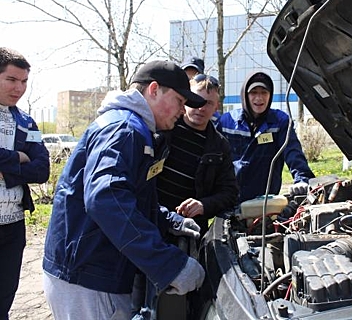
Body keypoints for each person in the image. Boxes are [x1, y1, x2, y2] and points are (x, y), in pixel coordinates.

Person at [42, 60, 207, 320]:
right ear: (154, 90)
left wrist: (167, 220)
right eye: (178, 100)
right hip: (88, 277)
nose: (182, 110)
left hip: (94, 270)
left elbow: (128, 197)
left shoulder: (134, 127)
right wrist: (169, 265)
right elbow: (105, 199)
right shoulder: (124, 129)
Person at [0, 47, 50, 320]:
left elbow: (42, 169)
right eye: (11, 80)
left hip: (13, 225)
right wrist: (17, 158)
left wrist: (5, 171)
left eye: (24, 81)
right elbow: (28, 164)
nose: (19, 88)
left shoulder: (26, 121)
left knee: (4, 300)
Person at [157, 74, 238, 238]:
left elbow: (229, 192)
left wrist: (204, 205)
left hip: (190, 231)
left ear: (217, 107)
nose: (201, 108)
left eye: (208, 103)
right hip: (153, 220)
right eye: (196, 100)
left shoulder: (220, 146)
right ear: (185, 100)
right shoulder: (164, 129)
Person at [217, 71, 315, 203]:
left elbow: (293, 152)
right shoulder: (227, 121)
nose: (259, 98)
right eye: (254, 93)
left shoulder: (280, 122)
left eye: (264, 92)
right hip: (230, 200)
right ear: (245, 95)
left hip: (264, 202)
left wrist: (302, 179)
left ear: (270, 95)